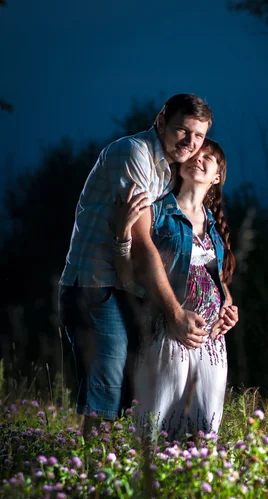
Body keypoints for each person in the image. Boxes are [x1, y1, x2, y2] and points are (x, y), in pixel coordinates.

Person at [58, 94, 216, 437]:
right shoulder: (134, 154)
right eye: (182, 131)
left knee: (132, 392)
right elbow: (143, 245)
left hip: (126, 286)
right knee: (107, 395)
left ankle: (110, 474)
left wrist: (225, 301)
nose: (190, 143)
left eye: (199, 136)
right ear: (161, 120)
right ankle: (87, 479)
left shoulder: (167, 168)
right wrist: (175, 314)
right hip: (97, 286)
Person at [114, 138, 238, 439]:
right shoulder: (157, 211)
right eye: (196, 153)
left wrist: (229, 308)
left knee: (205, 431)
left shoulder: (212, 225)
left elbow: (217, 280)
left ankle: (196, 485)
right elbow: (130, 272)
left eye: (210, 158)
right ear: (180, 164)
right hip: (166, 331)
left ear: (217, 177)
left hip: (210, 341)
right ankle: (148, 484)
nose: (200, 158)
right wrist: (121, 232)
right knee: (155, 426)